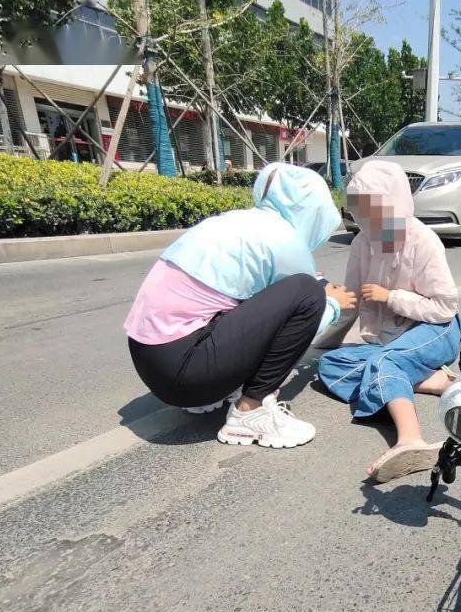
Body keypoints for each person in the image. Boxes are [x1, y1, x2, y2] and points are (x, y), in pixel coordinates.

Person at [125, 162, 356, 448]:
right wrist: (332, 303)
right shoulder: (285, 241)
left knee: (293, 290)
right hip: (186, 373)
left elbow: (253, 305)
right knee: (309, 292)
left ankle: (216, 393)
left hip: (150, 363)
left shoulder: (235, 222)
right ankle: (251, 412)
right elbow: (300, 322)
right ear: (313, 211)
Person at [318, 160, 460, 483]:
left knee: (383, 363)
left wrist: (390, 297)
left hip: (435, 329)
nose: (367, 220)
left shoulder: (423, 241)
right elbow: (351, 303)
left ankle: (411, 439)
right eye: (361, 212)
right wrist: (317, 343)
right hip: (392, 341)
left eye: (375, 211)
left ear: (395, 203)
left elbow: (445, 307)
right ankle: (429, 380)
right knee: (328, 366)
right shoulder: (361, 244)